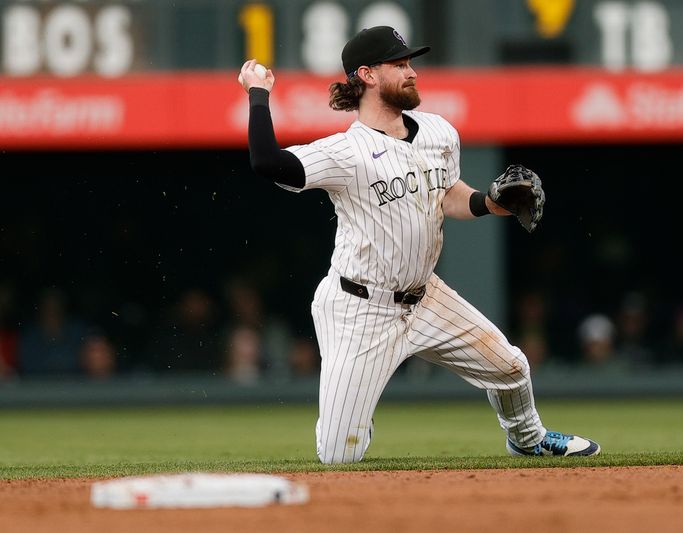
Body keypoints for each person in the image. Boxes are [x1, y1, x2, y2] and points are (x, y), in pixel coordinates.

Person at [239, 26, 599, 464]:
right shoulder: (346, 152)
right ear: (367, 75)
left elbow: (448, 196)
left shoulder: (438, 132)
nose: (412, 72)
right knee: (338, 456)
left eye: (410, 62)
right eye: (400, 64)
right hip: (360, 307)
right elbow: (266, 161)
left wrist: (490, 203)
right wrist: (258, 93)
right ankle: (352, 406)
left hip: (425, 296)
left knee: (511, 368)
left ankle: (528, 437)